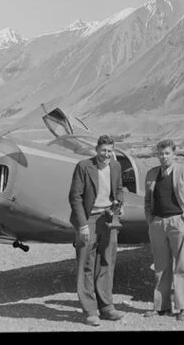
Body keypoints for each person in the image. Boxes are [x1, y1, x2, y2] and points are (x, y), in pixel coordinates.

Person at [68, 135, 125, 326]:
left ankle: (107, 306)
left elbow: (118, 189)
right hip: (89, 219)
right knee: (87, 263)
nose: (106, 154)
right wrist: (83, 224)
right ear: (96, 149)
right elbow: (75, 197)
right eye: (103, 150)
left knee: (107, 261)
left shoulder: (115, 166)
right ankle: (91, 310)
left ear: (113, 151)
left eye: (109, 151)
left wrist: (119, 203)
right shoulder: (84, 166)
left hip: (108, 218)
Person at [143, 139, 184, 321]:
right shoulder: (152, 173)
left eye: (167, 153)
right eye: (161, 154)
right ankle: (162, 306)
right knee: (161, 266)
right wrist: (151, 219)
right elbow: (147, 200)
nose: (164, 157)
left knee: (182, 265)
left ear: (174, 154)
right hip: (158, 223)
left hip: (178, 222)